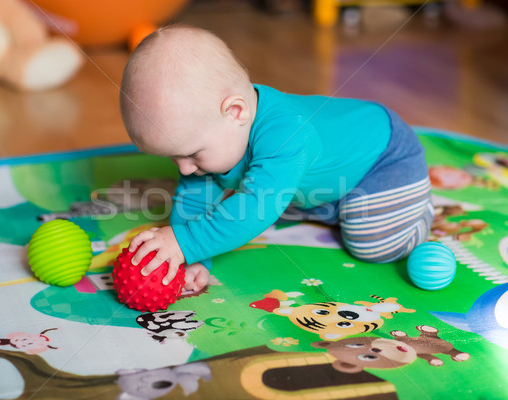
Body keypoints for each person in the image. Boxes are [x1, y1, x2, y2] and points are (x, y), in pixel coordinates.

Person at [119, 24, 434, 293]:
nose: (185, 168)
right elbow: (195, 204)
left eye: (191, 154)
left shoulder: (287, 133)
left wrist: (185, 241)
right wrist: (191, 255)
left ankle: (419, 213)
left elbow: (255, 208)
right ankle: (335, 208)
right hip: (327, 181)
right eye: (175, 157)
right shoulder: (216, 129)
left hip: (385, 161)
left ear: (236, 112)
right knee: (256, 204)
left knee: (371, 244)